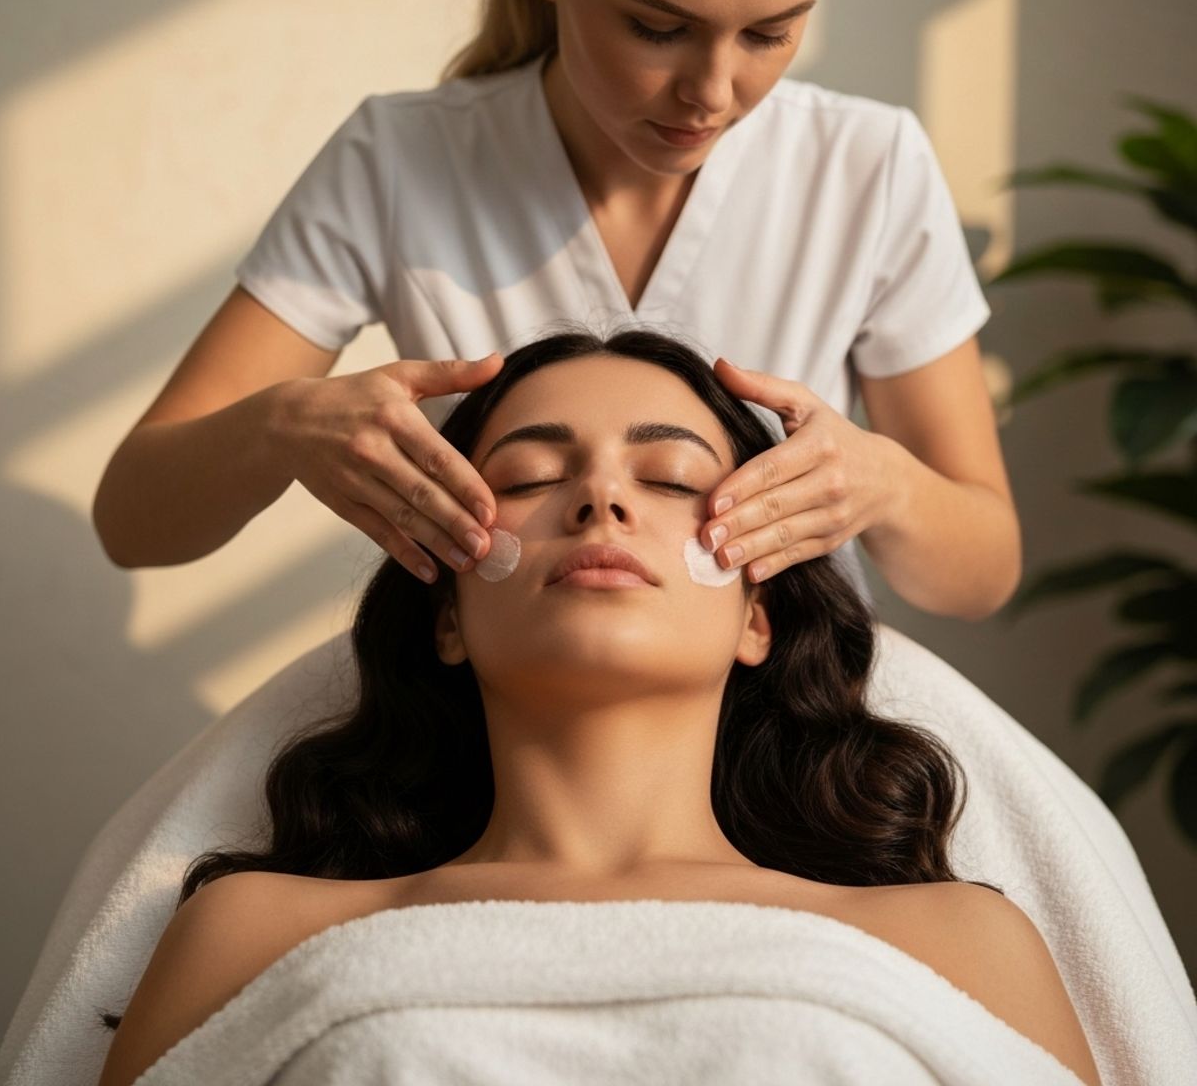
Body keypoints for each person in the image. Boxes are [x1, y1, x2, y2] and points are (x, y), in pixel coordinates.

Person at [94, 328, 1098, 1086]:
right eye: (530, 474)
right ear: (446, 615)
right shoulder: (250, 931)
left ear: (759, 616)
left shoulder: (956, 939)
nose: (601, 499)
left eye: (668, 478)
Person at [91, 0, 1021, 623]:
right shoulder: (400, 163)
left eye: (770, 33)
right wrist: (286, 426)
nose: (713, 92)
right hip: (498, 727)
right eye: (659, 28)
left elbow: (982, 573)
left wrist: (881, 486)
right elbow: (135, 520)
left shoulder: (867, 168)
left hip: (794, 725)